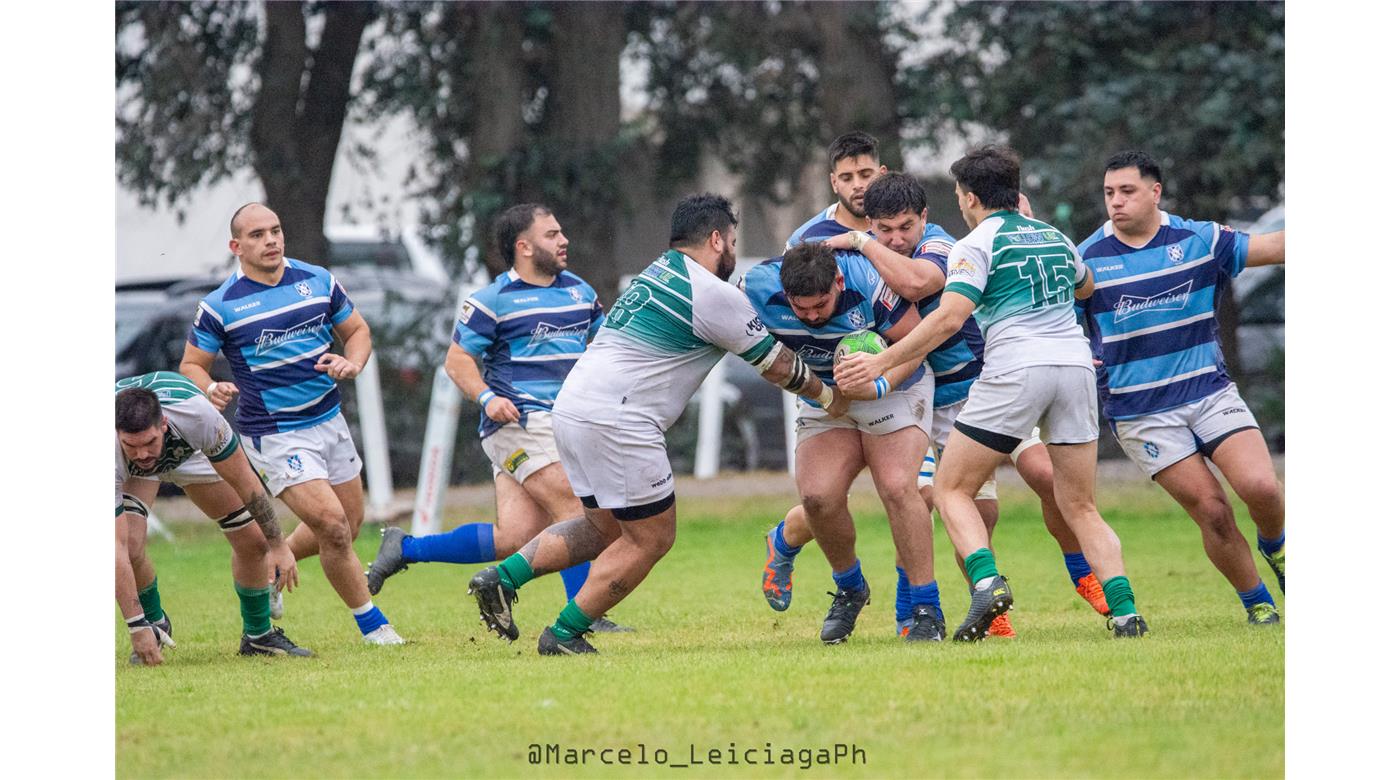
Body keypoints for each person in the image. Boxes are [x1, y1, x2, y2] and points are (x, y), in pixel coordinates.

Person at [467, 193, 847, 655]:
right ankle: (565, 633)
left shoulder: (660, 271)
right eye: (730, 242)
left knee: (600, 527)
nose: (731, 251)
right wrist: (831, 397)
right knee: (652, 537)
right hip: (619, 420)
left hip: (572, 408)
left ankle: (501, 578)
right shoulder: (711, 293)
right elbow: (777, 366)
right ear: (715, 239)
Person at [767, 172, 1111, 639]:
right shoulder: (852, 260)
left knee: (1040, 477)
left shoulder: (942, 245)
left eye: (905, 227)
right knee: (912, 497)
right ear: (871, 224)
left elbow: (917, 284)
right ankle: (915, 612)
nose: (896, 238)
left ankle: (1083, 575)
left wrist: (862, 244)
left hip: (977, 387)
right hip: (915, 392)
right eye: (884, 230)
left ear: (923, 218)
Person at [838, 145, 1149, 640]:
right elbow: (1086, 288)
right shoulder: (1054, 236)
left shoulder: (974, 243)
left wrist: (881, 361)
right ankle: (1127, 612)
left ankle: (986, 582)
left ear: (968, 197)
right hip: (1074, 368)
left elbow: (949, 317)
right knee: (1081, 504)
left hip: (1016, 371)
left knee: (949, 490)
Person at [364, 203, 628, 632]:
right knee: (576, 508)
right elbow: (457, 361)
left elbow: (605, 350)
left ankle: (405, 548)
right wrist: (487, 398)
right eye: (552, 234)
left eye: (562, 232)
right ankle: (586, 614)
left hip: (566, 423)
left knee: (515, 536)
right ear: (523, 247)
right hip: (518, 424)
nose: (563, 241)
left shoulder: (580, 291)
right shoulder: (491, 302)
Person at [181, 202, 405, 645]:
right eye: (258, 235)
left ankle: (271, 566)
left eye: (276, 231)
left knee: (348, 525)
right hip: (276, 434)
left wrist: (352, 362)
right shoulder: (220, 306)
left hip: (329, 419)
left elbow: (357, 331)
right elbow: (192, 364)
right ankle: (374, 625)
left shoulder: (317, 281)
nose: (271, 241)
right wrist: (210, 389)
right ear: (236, 246)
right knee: (333, 526)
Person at [1077, 150, 1285, 625]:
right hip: (1141, 412)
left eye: (1127, 191)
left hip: (1208, 393)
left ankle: (1277, 548)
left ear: (1155, 192)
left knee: (1261, 487)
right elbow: (1069, 332)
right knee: (1212, 510)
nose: (1116, 202)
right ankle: (1259, 605)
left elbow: (1274, 247)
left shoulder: (1199, 238)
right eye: (1109, 193)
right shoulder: (1086, 260)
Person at [744, 241, 941, 642]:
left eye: (822, 305)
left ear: (837, 281)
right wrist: (822, 393)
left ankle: (924, 607)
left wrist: (879, 383)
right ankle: (850, 586)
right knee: (818, 498)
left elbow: (916, 343)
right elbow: (754, 354)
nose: (814, 317)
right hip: (821, 393)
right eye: (802, 310)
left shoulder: (867, 282)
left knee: (901, 489)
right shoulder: (754, 290)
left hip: (895, 387)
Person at [116, 373, 311, 664]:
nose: (143, 453)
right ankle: (154, 625)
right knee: (129, 546)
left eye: (149, 442)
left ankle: (258, 637)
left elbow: (248, 484)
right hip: (128, 471)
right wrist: (136, 626)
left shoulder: (198, 417)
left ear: (164, 424)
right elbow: (113, 548)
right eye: (133, 445)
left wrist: (279, 544)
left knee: (253, 542)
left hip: (188, 451)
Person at [785, 131, 888, 248]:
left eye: (865, 175)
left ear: (882, 175)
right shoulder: (807, 239)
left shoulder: (905, 229)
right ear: (834, 183)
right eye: (846, 178)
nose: (857, 185)